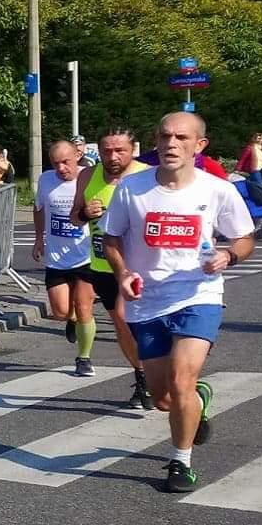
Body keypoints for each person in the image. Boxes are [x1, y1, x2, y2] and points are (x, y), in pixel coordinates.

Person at [99, 111, 255, 493]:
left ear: (199, 145)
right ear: (156, 141)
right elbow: (111, 240)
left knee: (182, 378)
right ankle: (198, 399)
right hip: (147, 300)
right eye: (165, 136)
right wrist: (123, 273)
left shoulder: (217, 190)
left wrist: (229, 256)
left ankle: (180, 462)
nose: (171, 143)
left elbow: (244, 238)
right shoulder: (132, 188)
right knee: (164, 398)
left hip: (198, 294)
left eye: (182, 138)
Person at [72, 122, 153, 411]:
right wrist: (85, 212)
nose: (113, 157)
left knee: (129, 318)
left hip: (138, 266)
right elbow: (74, 218)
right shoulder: (87, 175)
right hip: (101, 264)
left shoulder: (148, 176)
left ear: (133, 149)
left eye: (120, 150)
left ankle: (159, 372)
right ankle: (143, 375)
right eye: (107, 151)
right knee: (121, 325)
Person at [34, 139, 98, 377]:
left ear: (77, 157)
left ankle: (84, 358)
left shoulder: (89, 179)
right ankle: (71, 318)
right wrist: (38, 238)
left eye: (65, 162)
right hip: (57, 258)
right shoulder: (46, 180)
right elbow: (39, 208)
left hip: (85, 255)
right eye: (55, 163)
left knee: (84, 308)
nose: (61, 168)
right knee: (61, 311)